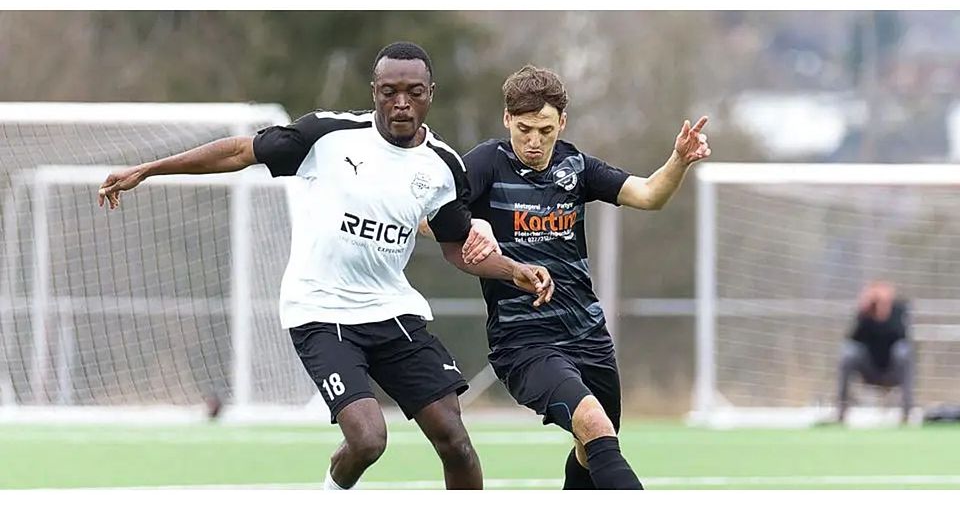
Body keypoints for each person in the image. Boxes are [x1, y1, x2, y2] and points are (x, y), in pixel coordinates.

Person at [96, 42, 554, 490]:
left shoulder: (443, 166)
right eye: (389, 91)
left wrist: (511, 269)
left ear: (430, 93)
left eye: (413, 92)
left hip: (392, 312)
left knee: (456, 443)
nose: (401, 103)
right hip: (320, 312)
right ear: (373, 90)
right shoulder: (328, 135)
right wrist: (149, 169)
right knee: (368, 439)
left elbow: (457, 245)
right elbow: (240, 152)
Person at [457, 64, 711, 489]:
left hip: (588, 336)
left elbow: (648, 195)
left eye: (545, 129)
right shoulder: (486, 164)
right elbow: (434, 216)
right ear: (507, 120)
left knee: (593, 445)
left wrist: (679, 160)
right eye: (524, 129)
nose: (534, 142)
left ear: (562, 122)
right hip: (525, 343)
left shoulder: (576, 166)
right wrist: (472, 227)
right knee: (593, 423)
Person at [837, 281, 913, 425]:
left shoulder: (898, 310)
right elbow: (853, 338)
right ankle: (841, 411)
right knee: (848, 352)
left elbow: (902, 335)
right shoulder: (865, 314)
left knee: (904, 350)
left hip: (892, 369)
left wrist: (884, 312)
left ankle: (907, 412)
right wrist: (864, 311)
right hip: (869, 370)